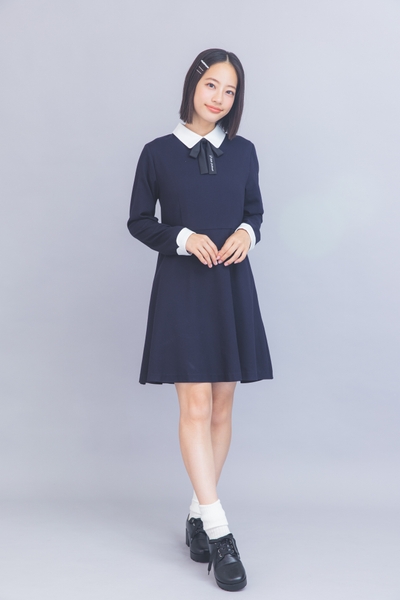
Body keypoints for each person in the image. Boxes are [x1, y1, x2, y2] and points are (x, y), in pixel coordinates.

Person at [127, 48, 273, 592]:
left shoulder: (244, 152)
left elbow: (255, 211)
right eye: (212, 85)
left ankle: (196, 513)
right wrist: (184, 238)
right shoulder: (157, 153)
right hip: (183, 288)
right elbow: (139, 221)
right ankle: (220, 532)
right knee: (194, 405)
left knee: (222, 406)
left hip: (231, 285)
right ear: (192, 85)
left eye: (230, 91)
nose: (219, 98)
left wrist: (246, 234)